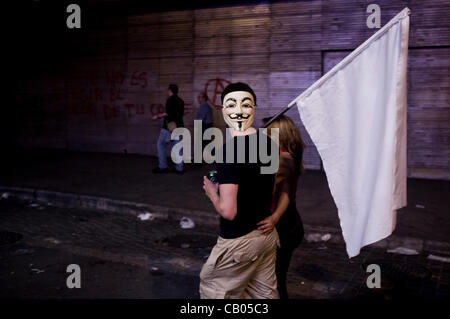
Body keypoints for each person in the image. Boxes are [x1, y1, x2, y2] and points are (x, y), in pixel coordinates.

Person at [201, 82, 280, 299]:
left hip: (239, 242)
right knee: (264, 296)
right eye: (232, 104)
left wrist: (212, 193)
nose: (238, 111)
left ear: (254, 108)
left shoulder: (227, 153)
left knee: (214, 291)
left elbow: (229, 212)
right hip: (266, 236)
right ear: (224, 109)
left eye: (245, 105)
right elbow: (269, 189)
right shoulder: (269, 144)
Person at [257, 115, 305, 299]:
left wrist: (274, 218)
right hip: (290, 226)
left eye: (266, 133)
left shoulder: (283, 161)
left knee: (274, 280)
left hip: (284, 230)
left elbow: (285, 193)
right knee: (274, 278)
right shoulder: (283, 157)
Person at [152, 84, 185, 174]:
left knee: (160, 144)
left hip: (169, 127)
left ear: (170, 90)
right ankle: (179, 168)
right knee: (178, 147)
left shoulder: (170, 100)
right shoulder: (181, 101)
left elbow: (167, 114)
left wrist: (157, 116)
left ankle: (163, 166)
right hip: (179, 126)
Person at [196, 92, 214, 160]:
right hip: (208, 126)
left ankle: (198, 161)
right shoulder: (207, 106)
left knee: (201, 144)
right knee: (207, 143)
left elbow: (201, 119)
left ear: (204, 98)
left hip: (204, 126)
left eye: (200, 97)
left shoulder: (203, 106)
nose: (198, 99)